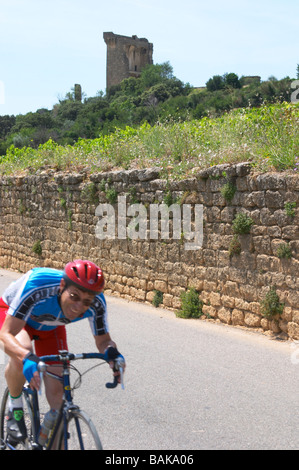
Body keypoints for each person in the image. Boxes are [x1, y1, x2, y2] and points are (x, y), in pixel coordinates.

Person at [0, 259, 125, 443]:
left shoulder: (97, 303)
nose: (78, 307)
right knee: (23, 352)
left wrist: (113, 354)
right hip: (15, 317)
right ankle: (15, 408)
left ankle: (52, 432)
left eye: (86, 302)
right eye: (74, 296)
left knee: (59, 397)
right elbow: (6, 334)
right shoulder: (38, 284)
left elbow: (104, 341)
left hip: (51, 327)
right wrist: (25, 357)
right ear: (62, 285)